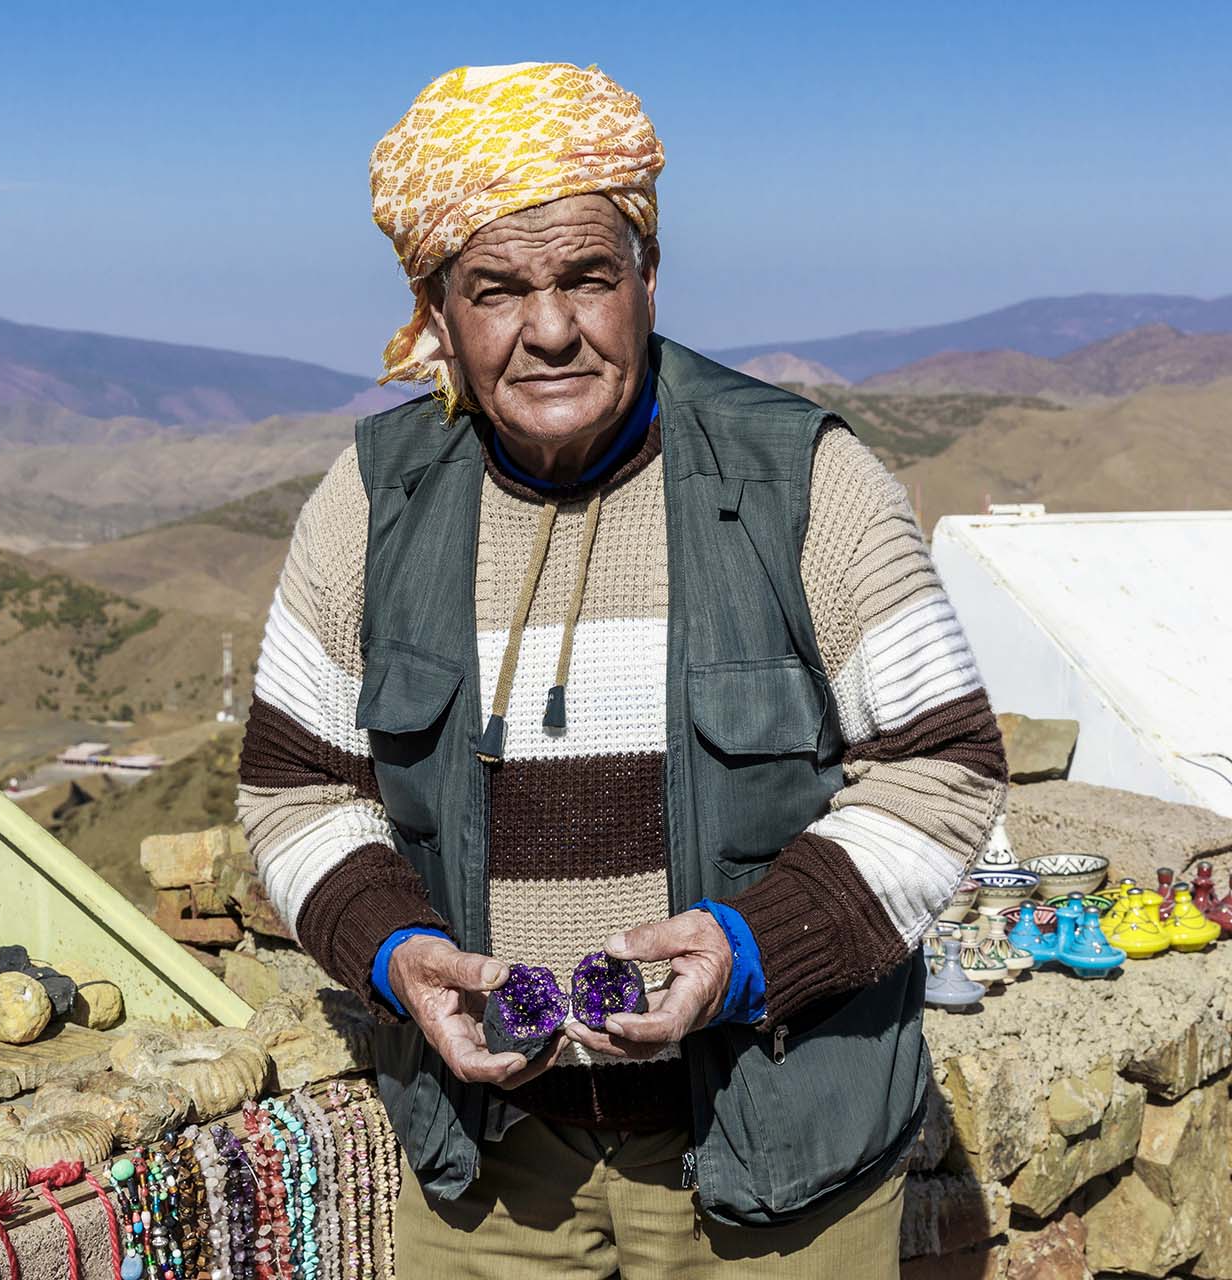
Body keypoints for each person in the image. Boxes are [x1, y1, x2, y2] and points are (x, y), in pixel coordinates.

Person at [238, 62, 1007, 1278]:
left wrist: (752, 947)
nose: (551, 328)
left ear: (647, 277)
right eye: (497, 287)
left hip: (775, 1155)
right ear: (438, 312)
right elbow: (295, 786)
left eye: (588, 276)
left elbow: (942, 767)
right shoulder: (374, 498)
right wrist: (395, 951)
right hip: (491, 1168)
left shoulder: (805, 477)